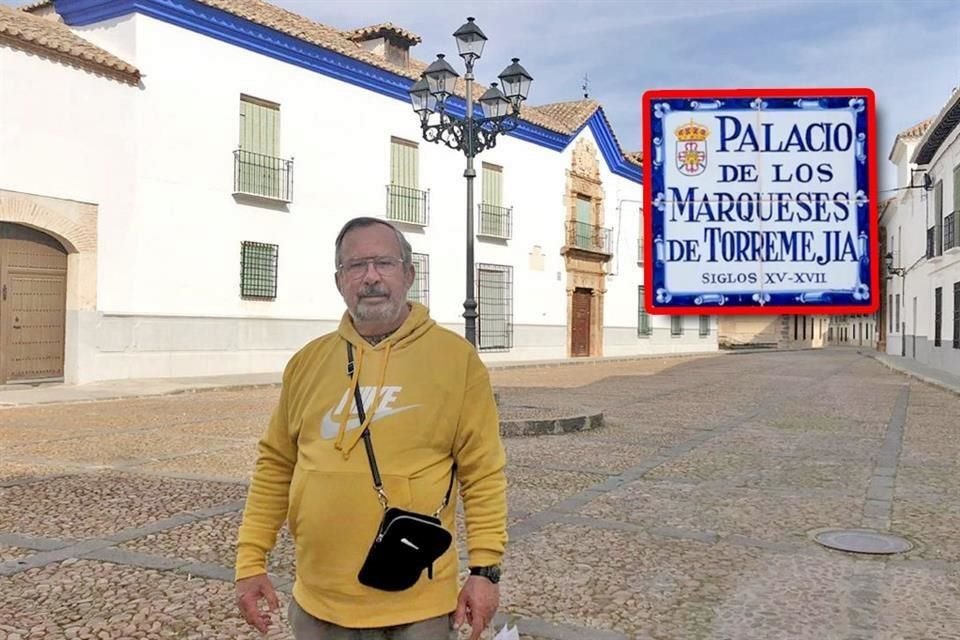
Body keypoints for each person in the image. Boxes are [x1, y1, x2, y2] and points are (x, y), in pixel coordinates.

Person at [235, 216, 507, 640]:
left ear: (409, 274)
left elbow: (483, 471)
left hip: (419, 604)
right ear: (339, 280)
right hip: (318, 603)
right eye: (356, 266)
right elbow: (275, 465)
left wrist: (485, 570)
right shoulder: (307, 362)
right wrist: (250, 560)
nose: (371, 277)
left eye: (384, 262)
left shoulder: (457, 360)